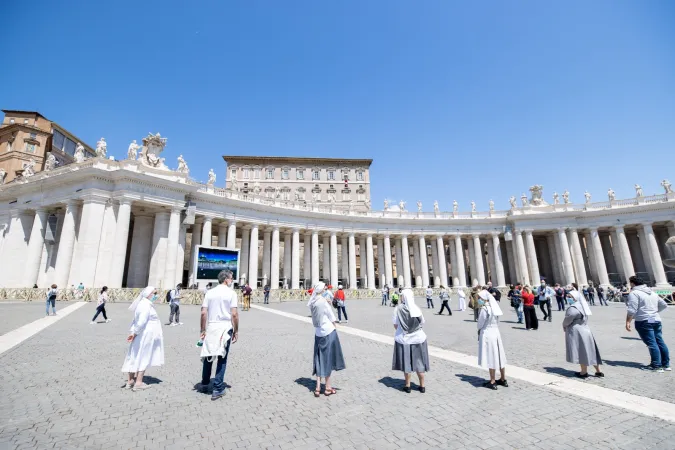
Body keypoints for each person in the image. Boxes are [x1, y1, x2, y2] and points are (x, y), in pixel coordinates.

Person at [199, 270, 239, 400]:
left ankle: (205, 383)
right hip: (225, 327)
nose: (232, 280)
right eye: (231, 278)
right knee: (222, 358)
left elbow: (203, 313)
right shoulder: (231, 293)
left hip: (211, 327)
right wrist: (236, 330)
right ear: (226, 279)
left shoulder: (209, 293)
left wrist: (202, 330)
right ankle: (217, 388)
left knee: (208, 355)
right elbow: (234, 314)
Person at [121, 286, 164, 391]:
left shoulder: (144, 304)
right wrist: (134, 333)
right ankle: (139, 382)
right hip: (144, 335)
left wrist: (133, 333)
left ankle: (131, 381)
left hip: (140, 334)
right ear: (148, 294)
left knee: (134, 355)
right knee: (143, 356)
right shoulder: (146, 305)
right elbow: (141, 322)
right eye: (154, 293)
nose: (156, 295)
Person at [308, 282, 345, 397]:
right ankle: (328, 387)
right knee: (328, 358)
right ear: (321, 290)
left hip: (318, 333)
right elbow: (331, 317)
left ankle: (318, 387)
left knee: (319, 358)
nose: (325, 288)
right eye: (324, 287)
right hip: (328, 332)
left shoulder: (312, 302)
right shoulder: (323, 302)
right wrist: (335, 326)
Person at [626, 276, 670, 372]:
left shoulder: (634, 293)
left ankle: (656, 365)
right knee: (659, 341)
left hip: (643, 320)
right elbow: (664, 304)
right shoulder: (652, 292)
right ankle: (666, 364)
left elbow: (632, 309)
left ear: (633, 283)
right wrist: (653, 311)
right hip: (654, 319)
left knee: (651, 343)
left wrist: (628, 321)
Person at [392, 289, 429, 393]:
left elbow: (395, 325)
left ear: (404, 297)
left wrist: (404, 330)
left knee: (407, 363)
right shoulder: (416, 308)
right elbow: (422, 322)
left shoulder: (397, 309)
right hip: (419, 338)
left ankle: (407, 386)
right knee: (420, 362)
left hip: (405, 340)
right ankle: (422, 386)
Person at [563, 284, 604, 378]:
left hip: (577, 331)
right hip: (586, 329)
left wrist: (564, 325)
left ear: (575, 298)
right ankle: (598, 371)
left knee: (581, 351)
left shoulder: (573, 308)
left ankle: (583, 372)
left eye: (570, 297)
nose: (567, 298)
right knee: (591, 351)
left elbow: (568, 320)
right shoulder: (583, 306)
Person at [477, 289, 508, 390]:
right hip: (496, 332)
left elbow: (480, 323)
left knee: (491, 356)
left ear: (484, 299)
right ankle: (503, 379)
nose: (478, 299)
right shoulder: (495, 308)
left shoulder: (484, 309)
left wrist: (479, 328)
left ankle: (492, 381)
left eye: (479, 298)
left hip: (487, 333)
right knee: (500, 356)